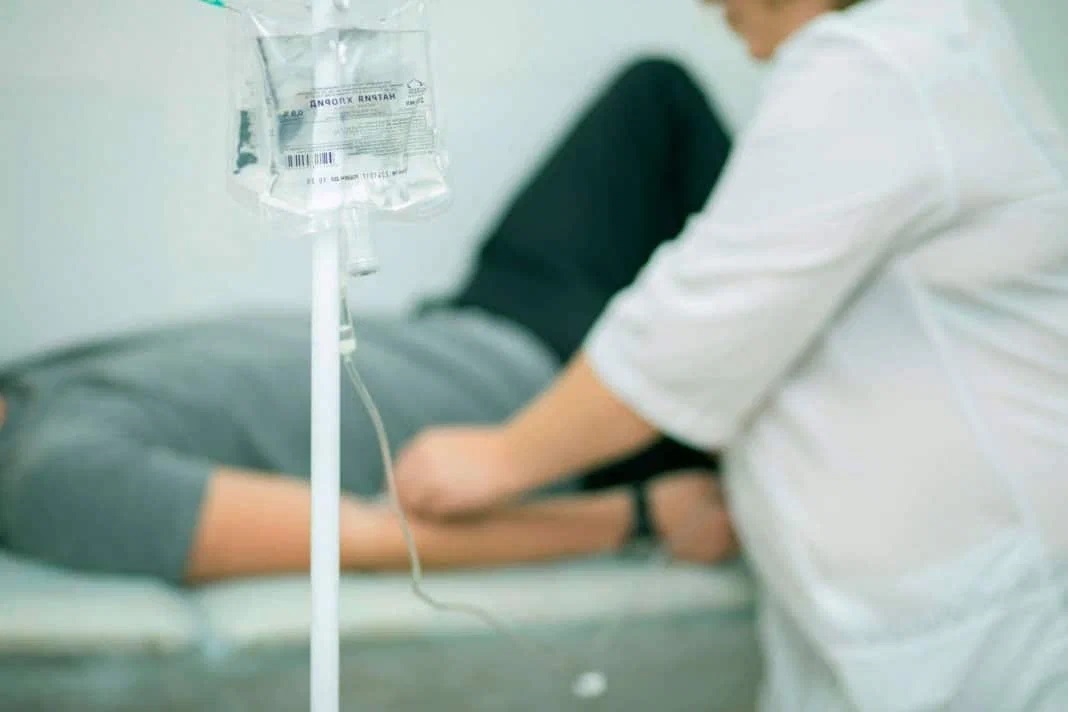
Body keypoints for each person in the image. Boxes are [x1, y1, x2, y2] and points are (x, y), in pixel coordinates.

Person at [394, 0, 1068, 709]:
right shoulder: (917, 57)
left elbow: (690, 329)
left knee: (653, 92)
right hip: (890, 617)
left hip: (982, 623)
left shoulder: (883, 69)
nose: (709, 3)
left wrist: (503, 457)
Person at [0, 51, 741, 583]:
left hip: (476, 317)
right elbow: (365, 540)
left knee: (653, 96)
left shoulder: (28, 384)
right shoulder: (51, 481)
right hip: (552, 407)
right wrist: (640, 517)